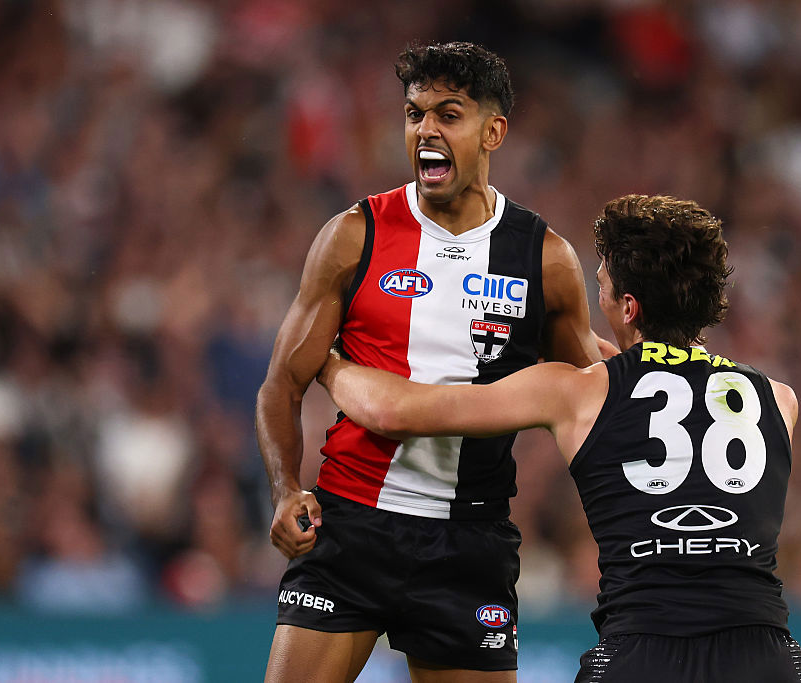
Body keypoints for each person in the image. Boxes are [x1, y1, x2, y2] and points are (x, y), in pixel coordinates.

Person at [318, 194, 801, 682]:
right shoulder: (779, 400)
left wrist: (326, 360)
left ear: (629, 306)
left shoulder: (577, 393)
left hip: (645, 651)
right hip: (766, 656)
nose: (597, 299)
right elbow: (662, 375)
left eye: (602, 287)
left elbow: (392, 410)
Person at [256, 41, 609, 682]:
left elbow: (597, 388)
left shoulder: (544, 259)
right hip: (352, 524)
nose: (426, 131)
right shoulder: (353, 235)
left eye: (449, 115)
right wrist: (284, 490)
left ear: (493, 131)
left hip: (468, 540)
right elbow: (281, 384)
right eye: (415, 114)